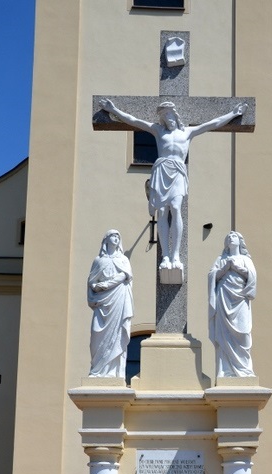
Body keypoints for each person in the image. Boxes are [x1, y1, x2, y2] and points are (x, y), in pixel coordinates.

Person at [98, 98, 247, 274]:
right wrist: (113, 110)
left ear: (175, 116)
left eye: (169, 115)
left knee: (176, 208)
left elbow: (213, 123)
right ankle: (165, 255)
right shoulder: (158, 130)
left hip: (177, 172)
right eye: (164, 116)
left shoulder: (188, 132)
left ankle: (175, 255)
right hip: (162, 171)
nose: (167, 119)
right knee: (162, 212)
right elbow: (134, 121)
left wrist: (233, 114)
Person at [208, 231, 256, 377]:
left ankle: (245, 370)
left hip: (241, 298)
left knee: (243, 332)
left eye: (234, 236)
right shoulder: (221, 259)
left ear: (240, 241)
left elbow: (252, 276)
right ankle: (225, 370)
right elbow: (212, 276)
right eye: (228, 237)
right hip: (224, 296)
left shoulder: (245, 259)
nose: (230, 238)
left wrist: (236, 268)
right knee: (224, 334)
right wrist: (225, 268)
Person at [87, 230, 133, 378]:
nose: (116, 238)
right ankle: (97, 370)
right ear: (106, 239)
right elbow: (92, 281)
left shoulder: (123, 260)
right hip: (101, 303)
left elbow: (125, 276)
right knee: (96, 335)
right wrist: (96, 287)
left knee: (117, 333)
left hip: (118, 300)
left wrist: (106, 284)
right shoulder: (98, 261)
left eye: (118, 236)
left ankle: (113, 372)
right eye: (113, 235)